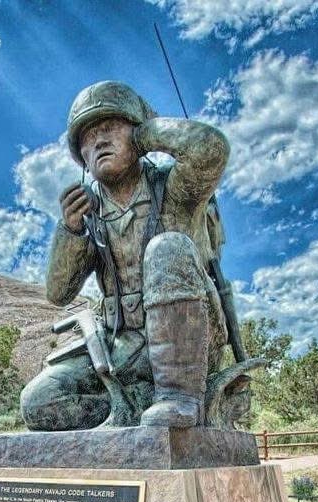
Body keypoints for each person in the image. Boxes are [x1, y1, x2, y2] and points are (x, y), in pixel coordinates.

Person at [21, 80, 231, 431]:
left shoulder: (175, 188)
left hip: (190, 342)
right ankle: (137, 405)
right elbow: (58, 293)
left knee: (167, 247)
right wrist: (71, 231)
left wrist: (147, 132)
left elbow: (210, 149)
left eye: (110, 127)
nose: (98, 141)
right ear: (82, 158)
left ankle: (179, 398)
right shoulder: (90, 214)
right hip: (122, 347)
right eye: (87, 138)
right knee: (38, 404)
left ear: (137, 133)